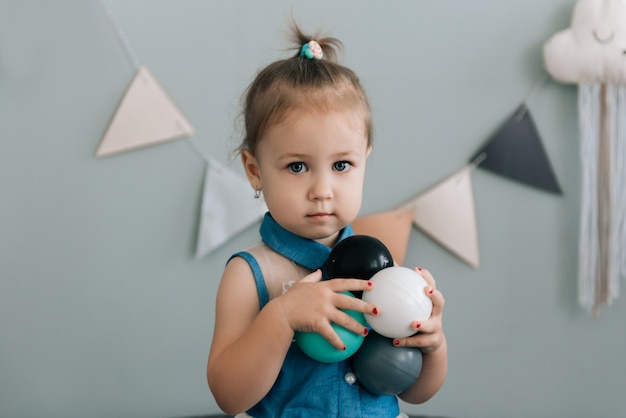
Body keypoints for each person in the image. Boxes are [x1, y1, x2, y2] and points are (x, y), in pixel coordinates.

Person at [207, 20, 447, 418]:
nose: (323, 189)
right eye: (298, 167)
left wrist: (433, 345)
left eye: (341, 165)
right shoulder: (252, 275)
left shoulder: (383, 271)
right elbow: (229, 396)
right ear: (254, 169)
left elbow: (417, 393)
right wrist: (281, 317)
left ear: (364, 160)